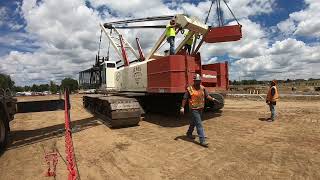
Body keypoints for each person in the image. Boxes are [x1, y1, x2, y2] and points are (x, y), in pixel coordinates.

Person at [180, 74, 217, 147]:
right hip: (194, 109)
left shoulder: (203, 88)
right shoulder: (190, 89)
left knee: (194, 122)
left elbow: (207, 96)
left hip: (201, 108)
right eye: (197, 81)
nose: (198, 82)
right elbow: (185, 98)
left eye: (199, 81)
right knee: (199, 124)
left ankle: (189, 133)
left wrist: (213, 99)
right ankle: (202, 140)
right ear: (194, 81)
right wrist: (182, 107)